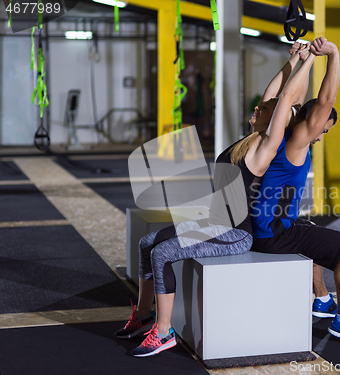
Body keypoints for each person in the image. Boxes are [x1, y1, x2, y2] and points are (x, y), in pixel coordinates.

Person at [115, 42, 316, 357]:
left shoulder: (265, 146)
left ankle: (164, 333)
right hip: (213, 223)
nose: (258, 107)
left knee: (162, 253)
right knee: (147, 243)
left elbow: (286, 99)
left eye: (265, 109)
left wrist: (311, 61)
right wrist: (293, 58)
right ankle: (144, 316)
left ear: (277, 119)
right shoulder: (248, 139)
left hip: (235, 233)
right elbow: (273, 95)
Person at [251, 37, 340, 346]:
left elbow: (279, 95)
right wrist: (331, 54)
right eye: (323, 129)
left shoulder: (269, 131)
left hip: (261, 225)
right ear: (312, 124)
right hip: (272, 233)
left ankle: (322, 300)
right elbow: (323, 102)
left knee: (308, 230)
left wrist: (298, 59)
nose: (321, 136)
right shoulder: (296, 143)